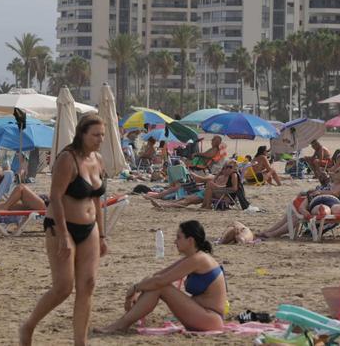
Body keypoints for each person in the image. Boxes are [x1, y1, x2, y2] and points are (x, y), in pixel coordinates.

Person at [19, 114, 109, 346]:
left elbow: (96, 199)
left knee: (88, 284)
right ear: (82, 134)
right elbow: (55, 197)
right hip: (61, 225)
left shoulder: (98, 159)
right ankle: (28, 326)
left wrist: (102, 234)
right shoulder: (67, 159)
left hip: (89, 228)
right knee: (63, 287)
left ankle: (81, 342)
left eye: (102, 135)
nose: (100, 139)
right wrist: (64, 235)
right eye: (95, 135)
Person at [97, 220, 227, 334]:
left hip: (210, 319)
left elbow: (160, 281)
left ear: (190, 240)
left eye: (178, 237)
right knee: (157, 284)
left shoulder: (199, 259)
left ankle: (122, 324)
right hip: (201, 315)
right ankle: (123, 322)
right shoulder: (192, 258)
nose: (175, 241)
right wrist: (139, 290)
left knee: (161, 286)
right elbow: (157, 275)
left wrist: (135, 288)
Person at [152, 161, 240, 209]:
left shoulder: (231, 177)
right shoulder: (219, 176)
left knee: (186, 201)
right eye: (225, 167)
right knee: (183, 198)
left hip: (209, 194)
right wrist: (218, 174)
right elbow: (211, 181)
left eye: (230, 167)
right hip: (205, 192)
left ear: (234, 169)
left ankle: (164, 206)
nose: (226, 169)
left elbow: (230, 188)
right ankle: (163, 204)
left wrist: (217, 187)